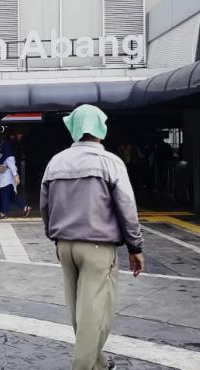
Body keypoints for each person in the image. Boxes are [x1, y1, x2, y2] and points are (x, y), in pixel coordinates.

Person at [40, 104, 145, 370]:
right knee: (96, 312)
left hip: (64, 246)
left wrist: (55, 235)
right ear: (100, 127)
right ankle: (83, 367)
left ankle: (97, 363)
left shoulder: (56, 161)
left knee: (78, 310)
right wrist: (135, 246)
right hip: (98, 247)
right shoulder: (110, 162)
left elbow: (45, 206)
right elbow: (127, 208)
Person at [0, 141, 31, 219]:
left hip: (7, 181)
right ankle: (25, 207)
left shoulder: (9, 156)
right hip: (8, 181)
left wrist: (16, 176)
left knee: (4, 196)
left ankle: (4, 213)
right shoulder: (6, 156)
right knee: (12, 197)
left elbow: (13, 167)